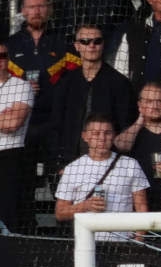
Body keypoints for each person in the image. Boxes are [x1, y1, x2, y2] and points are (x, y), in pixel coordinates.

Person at [43, 24, 131, 169]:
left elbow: (123, 126)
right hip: (70, 162)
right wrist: (58, 164)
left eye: (97, 41)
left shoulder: (119, 83)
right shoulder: (65, 82)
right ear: (77, 46)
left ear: (103, 44)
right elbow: (55, 125)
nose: (91, 46)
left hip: (108, 163)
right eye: (85, 41)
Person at [54, 112, 146, 240]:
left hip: (122, 242)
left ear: (114, 135)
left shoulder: (130, 164)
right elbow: (60, 213)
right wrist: (86, 205)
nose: (102, 138)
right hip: (86, 243)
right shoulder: (73, 168)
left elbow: (142, 209)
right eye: (96, 133)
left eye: (107, 133)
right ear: (85, 136)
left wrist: (138, 240)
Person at [113, 82, 161, 209]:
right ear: (140, 104)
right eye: (149, 101)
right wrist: (140, 121)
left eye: (160, 101)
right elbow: (120, 145)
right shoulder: (133, 133)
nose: (155, 106)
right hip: (138, 203)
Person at [0, 43, 34, 232]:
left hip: (10, 156)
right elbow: (7, 121)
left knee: (8, 217)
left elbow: (13, 124)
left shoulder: (21, 86)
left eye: (3, 55)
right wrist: (3, 116)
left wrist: (9, 118)